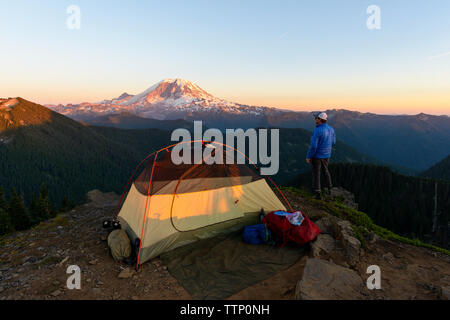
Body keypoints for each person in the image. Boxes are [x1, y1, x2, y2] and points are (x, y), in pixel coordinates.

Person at [306, 112, 336, 199]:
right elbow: (333, 142)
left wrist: (308, 156)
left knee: (316, 173)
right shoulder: (331, 129)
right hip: (327, 155)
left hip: (317, 156)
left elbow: (314, 146)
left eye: (316, 118)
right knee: (326, 171)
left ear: (319, 119)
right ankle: (330, 188)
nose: (315, 119)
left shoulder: (317, 130)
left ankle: (318, 193)